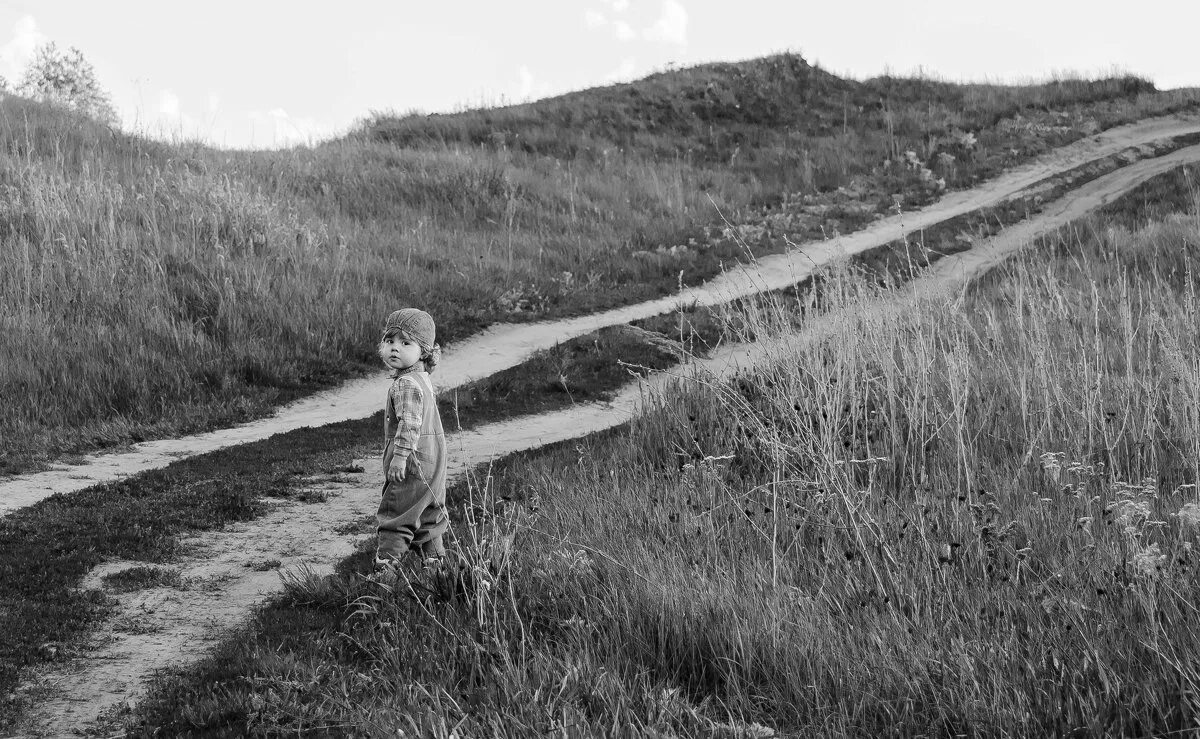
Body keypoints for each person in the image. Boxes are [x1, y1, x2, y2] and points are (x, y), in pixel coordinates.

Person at [375, 308, 448, 569]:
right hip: (434, 462)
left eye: (406, 343)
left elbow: (410, 424)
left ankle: (385, 573)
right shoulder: (422, 378)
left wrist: (399, 458)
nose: (395, 348)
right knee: (429, 518)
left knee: (397, 515)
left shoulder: (405, 384)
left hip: (412, 463)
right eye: (390, 341)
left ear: (423, 351)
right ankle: (438, 571)